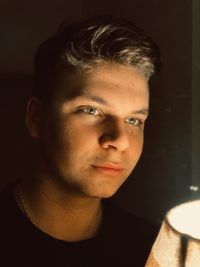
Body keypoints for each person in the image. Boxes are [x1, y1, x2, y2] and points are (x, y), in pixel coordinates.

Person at [0, 16, 161, 266]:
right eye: (91, 111)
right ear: (36, 118)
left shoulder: (155, 250)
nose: (119, 141)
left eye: (133, 120)